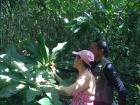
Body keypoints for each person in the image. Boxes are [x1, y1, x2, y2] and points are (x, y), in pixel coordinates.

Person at [89, 38, 126, 105]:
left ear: (101, 51)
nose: (90, 50)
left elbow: (121, 89)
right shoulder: (90, 63)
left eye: (92, 48)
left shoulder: (108, 67)